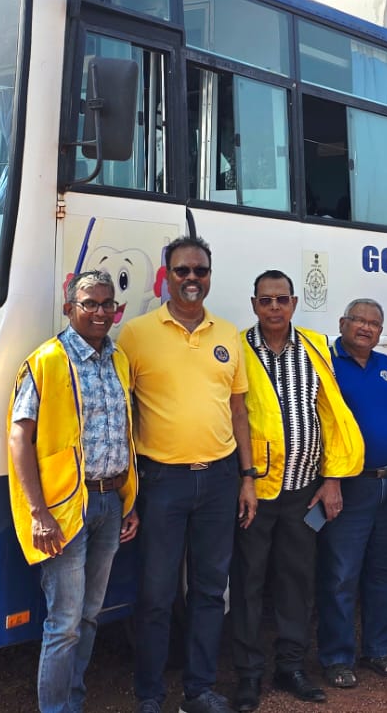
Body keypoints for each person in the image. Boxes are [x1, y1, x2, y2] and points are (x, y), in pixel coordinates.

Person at [118, 236, 258, 713]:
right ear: (167, 274)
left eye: (199, 271)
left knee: (208, 591)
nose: (192, 279)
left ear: (210, 275)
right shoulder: (137, 334)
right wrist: (128, 487)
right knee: (156, 595)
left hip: (219, 481)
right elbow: (124, 412)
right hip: (162, 483)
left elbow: (238, 410)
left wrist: (247, 477)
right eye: (182, 271)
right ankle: (150, 695)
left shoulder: (228, 334)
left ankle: (199, 690)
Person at [8, 269, 140, 713]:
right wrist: (37, 511)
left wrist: (129, 500)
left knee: (88, 615)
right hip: (66, 509)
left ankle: (73, 702)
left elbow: (125, 432)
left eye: (108, 304)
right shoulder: (46, 360)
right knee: (64, 622)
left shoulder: (118, 360)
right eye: (90, 304)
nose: (101, 312)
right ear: (69, 309)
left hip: (110, 501)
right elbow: (18, 438)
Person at [231, 270, 363, 710]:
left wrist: (332, 479)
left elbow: (330, 412)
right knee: (248, 585)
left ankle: (290, 667)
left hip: (303, 491)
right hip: (255, 493)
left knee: (296, 582)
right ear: (253, 304)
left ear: (293, 303)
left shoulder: (313, 346)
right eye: (265, 300)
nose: (274, 308)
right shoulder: (236, 348)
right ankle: (248, 676)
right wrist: (244, 478)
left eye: (281, 299)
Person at [317, 297, 387, 689]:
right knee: (340, 574)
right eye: (359, 321)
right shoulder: (327, 365)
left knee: (386, 572)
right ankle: (337, 657)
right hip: (349, 485)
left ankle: (378, 650)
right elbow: (320, 424)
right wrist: (329, 478)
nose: (366, 328)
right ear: (343, 322)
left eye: (374, 323)